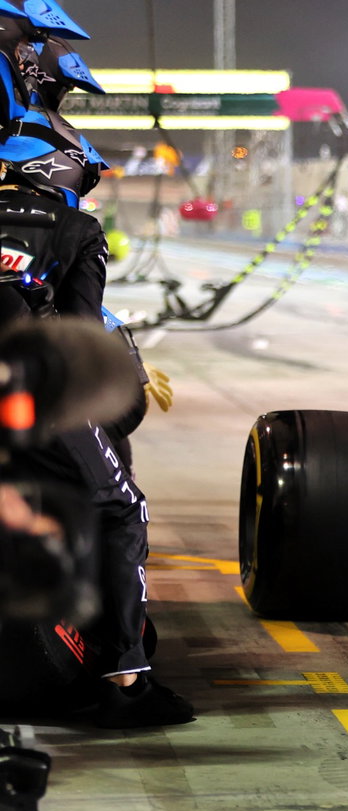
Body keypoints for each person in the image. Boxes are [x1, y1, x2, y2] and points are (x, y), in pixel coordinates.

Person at [0, 90, 193, 727]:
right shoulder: (78, 229)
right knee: (120, 507)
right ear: (60, 170)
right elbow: (80, 336)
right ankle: (126, 678)